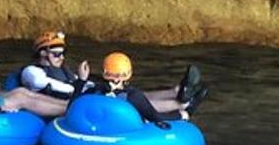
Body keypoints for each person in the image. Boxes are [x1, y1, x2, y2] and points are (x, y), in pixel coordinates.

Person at [21, 29, 204, 111]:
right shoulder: (31, 72)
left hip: (82, 95)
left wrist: (93, 85)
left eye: (63, 53)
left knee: (133, 94)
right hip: (72, 103)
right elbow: (48, 85)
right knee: (127, 103)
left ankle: (178, 92)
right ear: (42, 53)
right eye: (56, 54)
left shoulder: (64, 70)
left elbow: (75, 84)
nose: (61, 57)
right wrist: (85, 86)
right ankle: (182, 104)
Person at [71, 52, 207, 128]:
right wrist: (181, 116)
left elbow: (72, 109)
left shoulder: (96, 91)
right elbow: (156, 117)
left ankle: (181, 97)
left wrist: (81, 80)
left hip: (104, 129)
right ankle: (185, 112)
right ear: (128, 74)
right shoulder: (133, 96)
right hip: (127, 127)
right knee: (151, 114)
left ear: (105, 73)